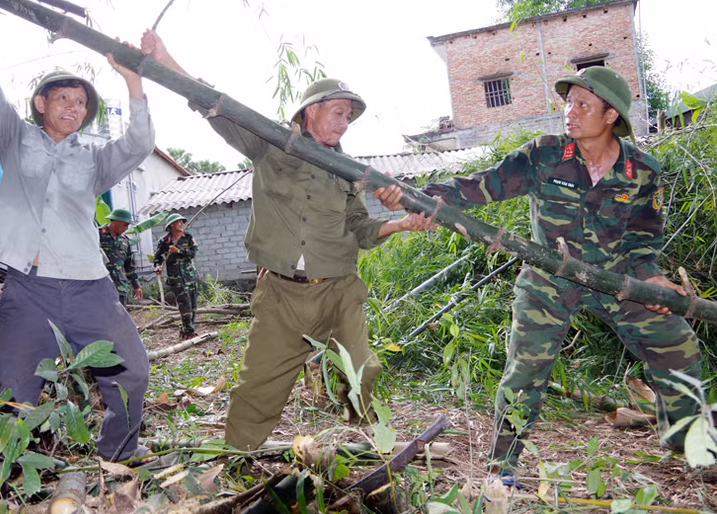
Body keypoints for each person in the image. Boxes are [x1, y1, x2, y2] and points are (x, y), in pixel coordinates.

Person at [375, 66, 702, 481]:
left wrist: (648, 276)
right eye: (568, 102)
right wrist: (416, 198)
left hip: (615, 280)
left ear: (610, 116)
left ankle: (688, 443)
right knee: (525, 372)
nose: (570, 112)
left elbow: (643, 236)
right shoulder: (543, 155)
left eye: (583, 105)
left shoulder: (643, 171)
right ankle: (501, 469)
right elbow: (481, 185)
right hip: (549, 277)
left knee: (677, 345)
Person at [139, 29, 435, 451]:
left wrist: (401, 224)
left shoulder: (349, 170)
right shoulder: (271, 144)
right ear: (310, 111)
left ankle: (365, 447)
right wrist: (165, 60)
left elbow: (362, 229)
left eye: (349, 117)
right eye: (337, 112)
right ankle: (236, 460)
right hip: (280, 293)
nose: (344, 122)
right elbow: (214, 104)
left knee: (361, 371)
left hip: (337, 290)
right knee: (257, 388)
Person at [0, 0, 155, 462]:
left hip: (90, 288)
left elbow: (140, 143)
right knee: (11, 393)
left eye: (81, 102)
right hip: (30, 288)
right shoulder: (15, 137)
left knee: (131, 372)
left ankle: (117, 457)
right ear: (41, 104)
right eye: (63, 97)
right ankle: (1, 476)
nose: (73, 106)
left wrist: (133, 80)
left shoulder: (95, 158)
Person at [153, 213, 198, 338]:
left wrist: (178, 250)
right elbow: (157, 258)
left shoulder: (187, 237)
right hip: (176, 278)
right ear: (172, 225)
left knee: (193, 305)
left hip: (190, 275)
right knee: (184, 303)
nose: (182, 224)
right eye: (179, 222)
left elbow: (193, 253)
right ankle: (189, 331)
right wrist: (158, 266)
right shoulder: (164, 241)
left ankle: (185, 329)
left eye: (183, 222)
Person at [99, 208, 144, 305]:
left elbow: (129, 265)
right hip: (101, 287)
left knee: (121, 314)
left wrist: (136, 285)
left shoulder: (125, 240)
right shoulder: (98, 235)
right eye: (125, 224)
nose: (127, 228)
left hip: (120, 287)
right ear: (115, 221)